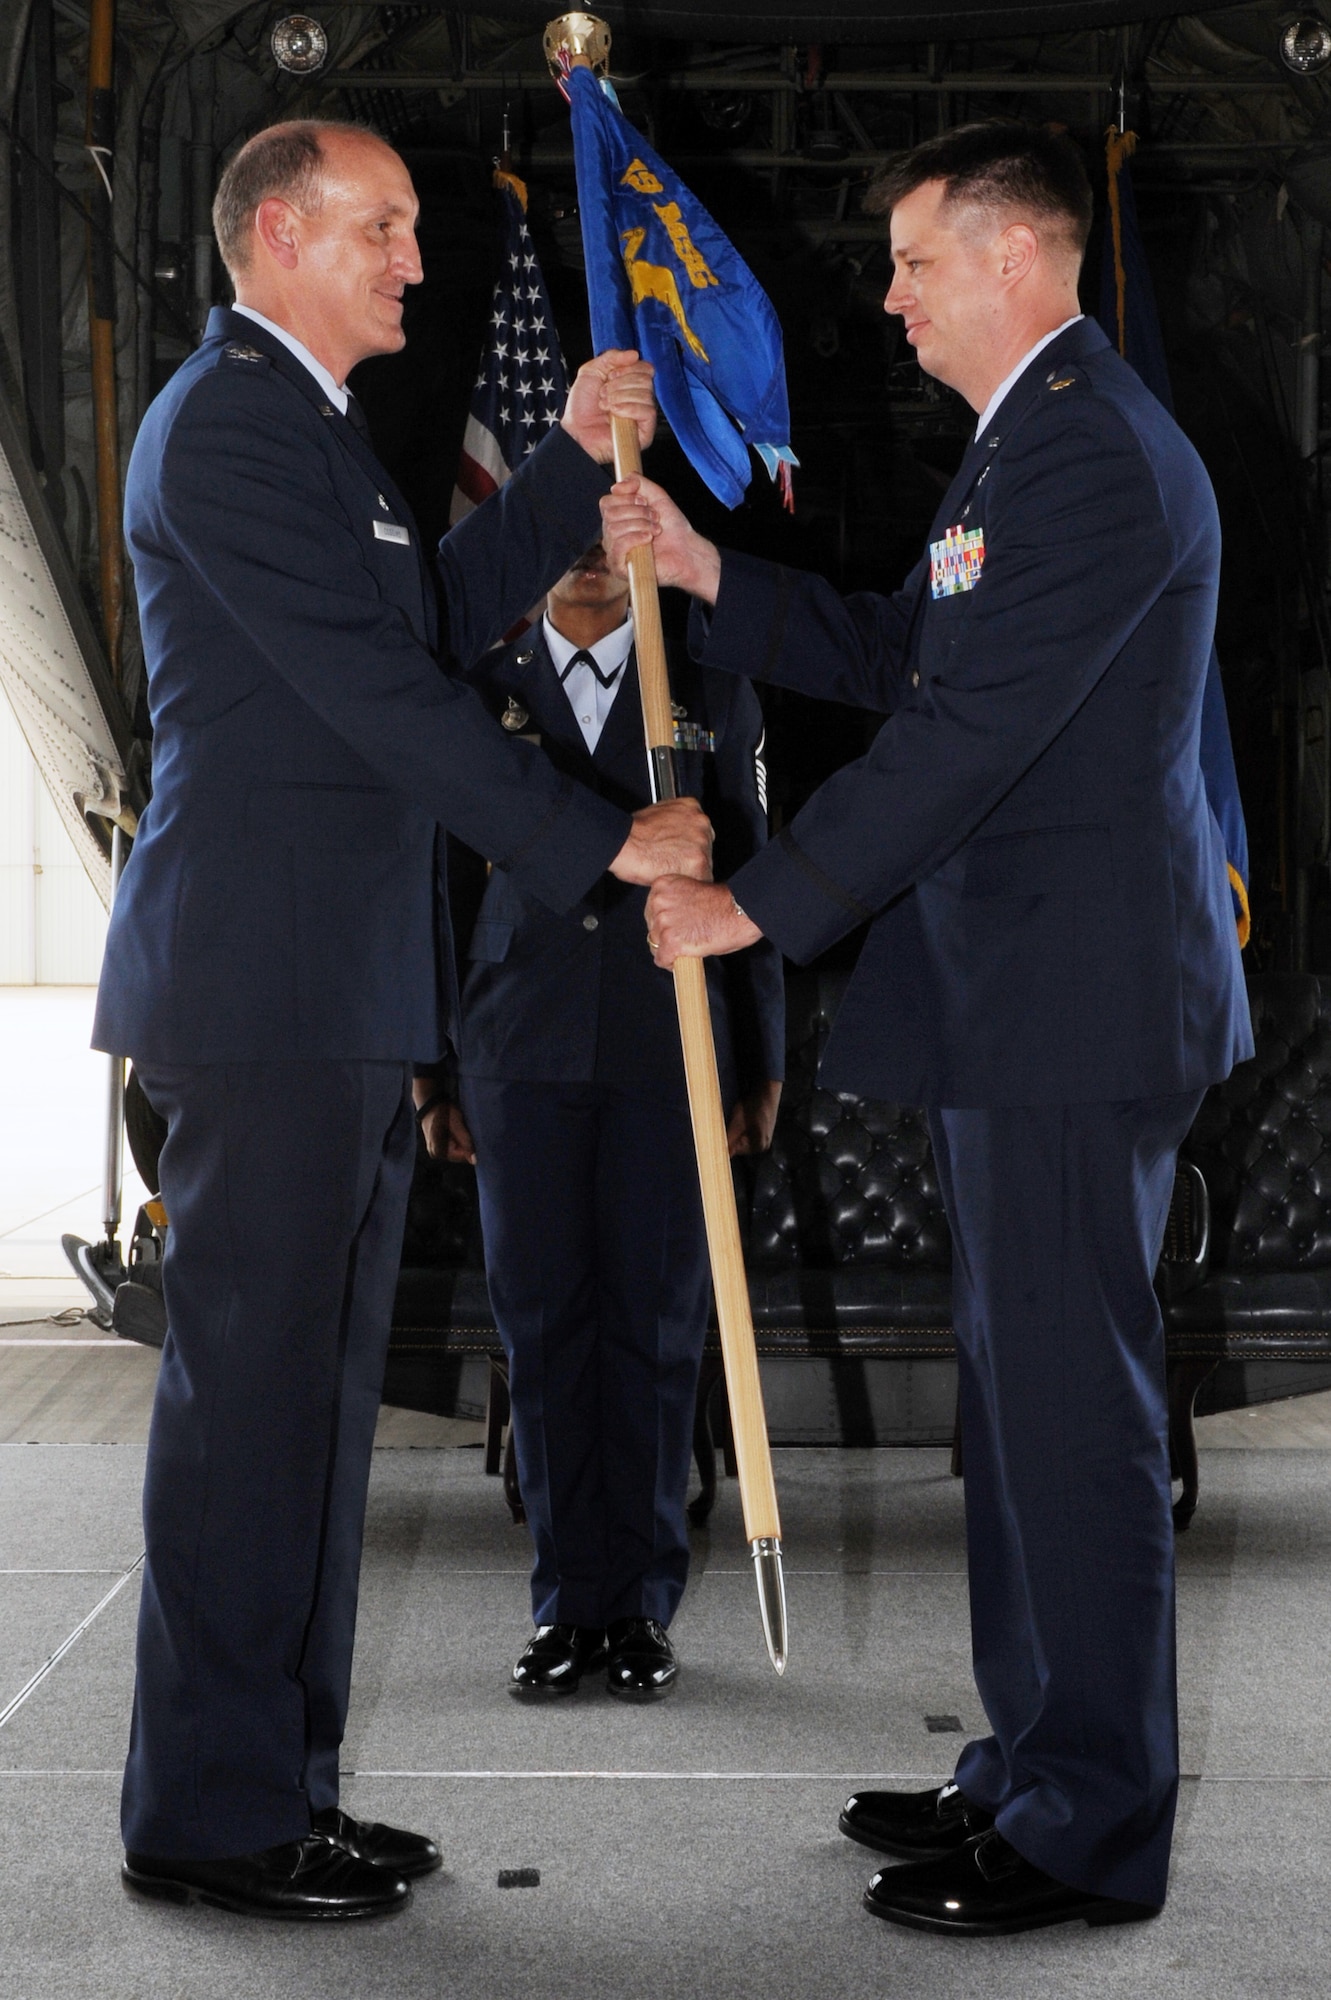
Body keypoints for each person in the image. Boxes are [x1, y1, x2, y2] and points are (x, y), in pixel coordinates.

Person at [601, 121, 1251, 1937]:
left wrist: (759, 901)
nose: (884, 300)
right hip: (1018, 1011)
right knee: (1023, 1415)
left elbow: (965, 747)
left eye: (911, 264)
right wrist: (712, 574)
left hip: (1071, 1013)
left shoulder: (1097, 457)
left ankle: (1088, 1830)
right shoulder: (1028, 445)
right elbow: (913, 657)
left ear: (1017, 259)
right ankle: (1031, 1761)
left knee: (1073, 1426)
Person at [94, 118, 711, 1923]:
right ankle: (210, 1813)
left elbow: (429, 616)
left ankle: (278, 1780)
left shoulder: (314, 428)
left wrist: (567, 476)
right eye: (384, 230)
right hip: (263, 989)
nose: (415, 263)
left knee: (310, 1420)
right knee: (249, 1418)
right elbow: (376, 694)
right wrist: (604, 849)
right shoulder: (223, 423)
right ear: (277, 232)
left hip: (334, 986)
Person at [415, 542, 784, 1702]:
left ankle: (638, 1607)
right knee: (541, 1327)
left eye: (605, 534)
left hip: (662, 1046)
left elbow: (757, 878)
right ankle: (564, 1604)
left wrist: (757, 1060)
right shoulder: (478, 689)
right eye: (562, 532)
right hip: (516, 1048)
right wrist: (433, 1075)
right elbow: (441, 885)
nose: (585, 557)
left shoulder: (709, 691)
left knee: (654, 1327)